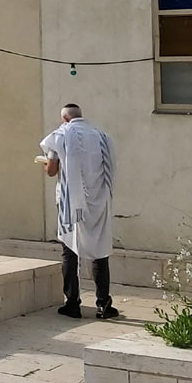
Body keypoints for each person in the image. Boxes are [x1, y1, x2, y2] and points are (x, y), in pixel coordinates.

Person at [40, 103, 118, 319]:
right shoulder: (100, 136)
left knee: (70, 249)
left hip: (70, 201)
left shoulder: (61, 135)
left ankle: (72, 302)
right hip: (98, 201)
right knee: (100, 250)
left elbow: (52, 169)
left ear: (65, 119)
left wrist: (46, 164)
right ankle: (104, 304)